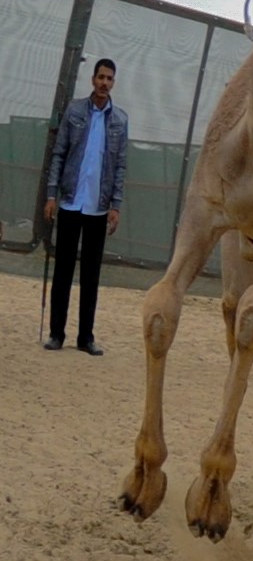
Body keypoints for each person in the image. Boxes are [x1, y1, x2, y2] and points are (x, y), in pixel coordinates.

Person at [43, 58, 130, 354]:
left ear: (113, 83)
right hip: (70, 202)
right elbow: (59, 154)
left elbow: (120, 165)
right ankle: (57, 333)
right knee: (63, 271)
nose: (104, 82)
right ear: (93, 79)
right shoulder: (75, 111)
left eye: (110, 78)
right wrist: (52, 195)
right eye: (101, 77)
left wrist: (115, 205)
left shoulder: (119, 119)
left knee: (91, 276)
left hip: (98, 207)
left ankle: (86, 338)